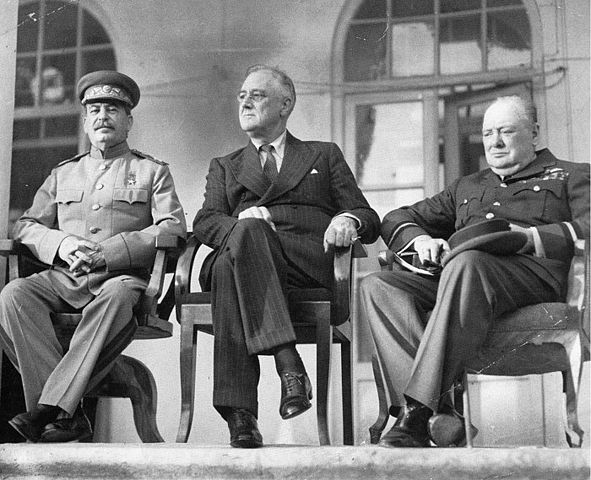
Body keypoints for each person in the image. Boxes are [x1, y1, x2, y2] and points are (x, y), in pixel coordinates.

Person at [360, 95, 590, 448]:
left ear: (534, 133)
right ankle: (443, 413)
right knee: (379, 285)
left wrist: (528, 238)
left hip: (533, 277)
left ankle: (418, 412)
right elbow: (395, 218)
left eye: (507, 132)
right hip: (463, 280)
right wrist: (421, 239)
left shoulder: (571, 175)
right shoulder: (467, 186)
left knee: (467, 262)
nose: (495, 142)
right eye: (487, 134)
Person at [192, 64, 380, 448]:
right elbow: (205, 222)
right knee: (243, 238)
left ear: (285, 104)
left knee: (232, 267)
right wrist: (243, 224)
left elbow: (368, 217)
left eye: (257, 95)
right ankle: (288, 363)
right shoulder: (225, 165)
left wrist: (346, 220)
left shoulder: (322, 155)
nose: (245, 102)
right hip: (244, 253)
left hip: (303, 267)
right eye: (241, 95)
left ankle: (241, 416)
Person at [0, 70, 186, 443]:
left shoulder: (152, 172)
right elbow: (27, 226)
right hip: (65, 278)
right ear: (86, 121)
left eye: (113, 109)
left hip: (119, 281)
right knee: (13, 295)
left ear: (129, 120)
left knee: (117, 296)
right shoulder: (63, 173)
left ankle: (48, 411)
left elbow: (172, 229)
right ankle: (64, 413)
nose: (104, 116)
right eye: (95, 109)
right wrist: (61, 244)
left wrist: (108, 253)